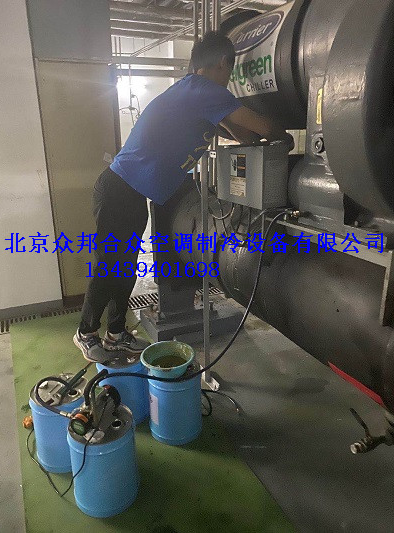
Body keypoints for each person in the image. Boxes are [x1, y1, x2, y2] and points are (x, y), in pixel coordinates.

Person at [74, 30, 293, 362]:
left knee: (125, 267)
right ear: (223, 63)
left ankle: (116, 335)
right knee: (110, 265)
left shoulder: (195, 94)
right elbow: (261, 127)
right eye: (230, 71)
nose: (229, 79)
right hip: (119, 189)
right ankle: (85, 332)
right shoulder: (204, 90)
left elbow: (243, 135)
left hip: (132, 192)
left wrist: (254, 138)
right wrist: (283, 136)